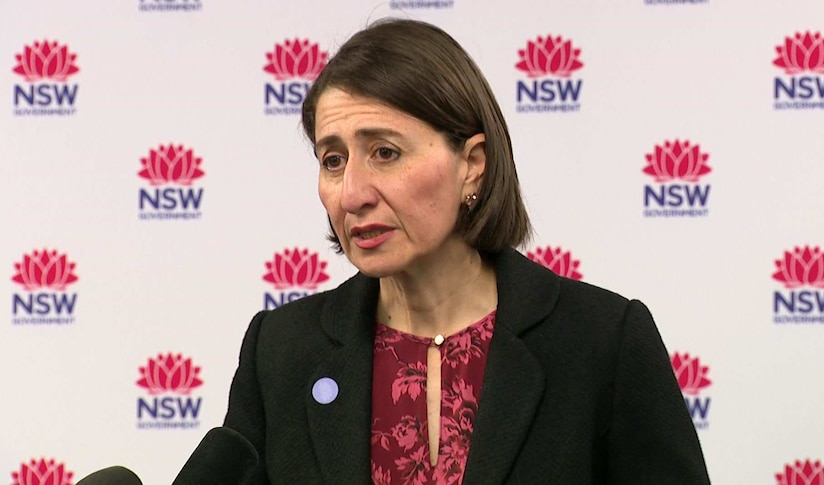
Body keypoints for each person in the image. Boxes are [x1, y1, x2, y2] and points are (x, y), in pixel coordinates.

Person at [223, 18, 711, 485]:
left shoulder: (603, 341)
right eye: (333, 160)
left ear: (472, 165)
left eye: (385, 153)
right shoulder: (281, 353)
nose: (353, 194)